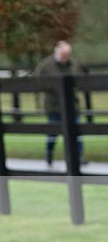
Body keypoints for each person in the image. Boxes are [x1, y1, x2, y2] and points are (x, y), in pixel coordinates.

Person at [34, 40, 85, 168]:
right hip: (54, 106)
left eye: (67, 54)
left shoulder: (74, 64)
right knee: (53, 132)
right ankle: (49, 155)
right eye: (63, 54)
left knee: (77, 131)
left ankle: (79, 157)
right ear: (56, 52)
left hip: (72, 105)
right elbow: (37, 82)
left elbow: (82, 80)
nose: (65, 57)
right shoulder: (45, 65)